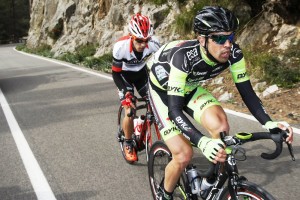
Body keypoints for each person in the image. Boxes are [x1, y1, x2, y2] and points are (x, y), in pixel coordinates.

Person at [147, 6, 294, 200]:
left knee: (221, 126)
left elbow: (247, 93)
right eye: (218, 38)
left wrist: (269, 123)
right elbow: (174, 109)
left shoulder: (234, 53)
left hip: (188, 87)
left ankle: (210, 183)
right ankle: (164, 195)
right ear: (202, 39)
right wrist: (202, 141)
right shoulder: (183, 57)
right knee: (183, 155)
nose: (227, 44)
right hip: (162, 91)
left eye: (231, 37)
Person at [112, 13, 160, 162]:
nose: (143, 45)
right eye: (139, 40)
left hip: (141, 75)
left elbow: (160, 66)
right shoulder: (120, 47)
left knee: (156, 104)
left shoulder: (154, 44)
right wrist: (126, 93)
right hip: (124, 77)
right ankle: (128, 143)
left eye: (146, 41)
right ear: (131, 36)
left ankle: (141, 127)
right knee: (130, 110)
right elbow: (116, 74)